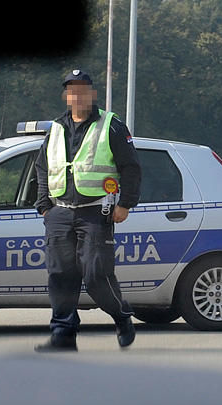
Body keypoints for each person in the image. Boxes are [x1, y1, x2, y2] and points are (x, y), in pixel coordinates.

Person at [33, 69, 141, 352]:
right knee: (60, 275)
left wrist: (125, 204)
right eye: (71, 90)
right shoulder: (55, 128)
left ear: (92, 93)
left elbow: (131, 168)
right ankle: (63, 336)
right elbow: (42, 167)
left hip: (95, 212)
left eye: (82, 90)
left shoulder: (111, 125)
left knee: (96, 276)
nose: (76, 95)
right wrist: (44, 205)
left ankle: (121, 316)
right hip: (59, 213)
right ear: (65, 95)